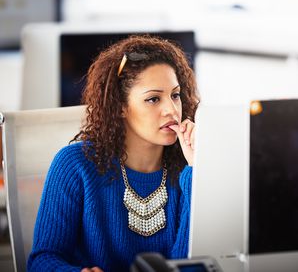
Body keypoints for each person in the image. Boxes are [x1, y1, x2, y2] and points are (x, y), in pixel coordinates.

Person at [27, 35, 199, 272]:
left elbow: (190, 265)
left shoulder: (190, 168)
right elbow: (42, 260)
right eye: (153, 99)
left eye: (175, 95)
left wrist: (196, 171)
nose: (171, 109)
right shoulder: (74, 165)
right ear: (120, 106)